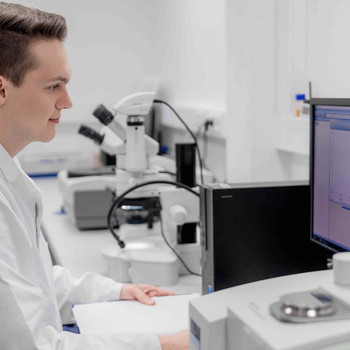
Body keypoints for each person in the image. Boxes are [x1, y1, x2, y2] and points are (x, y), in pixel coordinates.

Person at [0, 2, 189, 350]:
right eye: (54, 86)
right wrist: (162, 345)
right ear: (1, 90)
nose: (68, 101)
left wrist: (116, 291)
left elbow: (29, 284)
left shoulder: (9, 172)